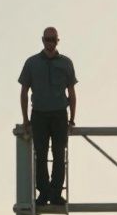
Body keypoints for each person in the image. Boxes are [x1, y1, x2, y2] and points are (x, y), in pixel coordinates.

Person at [19, 26, 78, 205]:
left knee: (59, 154)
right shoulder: (32, 63)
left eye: (53, 39)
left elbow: (72, 93)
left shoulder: (66, 63)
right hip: (39, 115)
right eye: (47, 39)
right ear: (42, 40)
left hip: (60, 114)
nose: (50, 42)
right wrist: (25, 120)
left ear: (57, 41)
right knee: (41, 154)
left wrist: (72, 119)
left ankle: (55, 193)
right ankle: (43, 193)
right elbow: (24, 92)